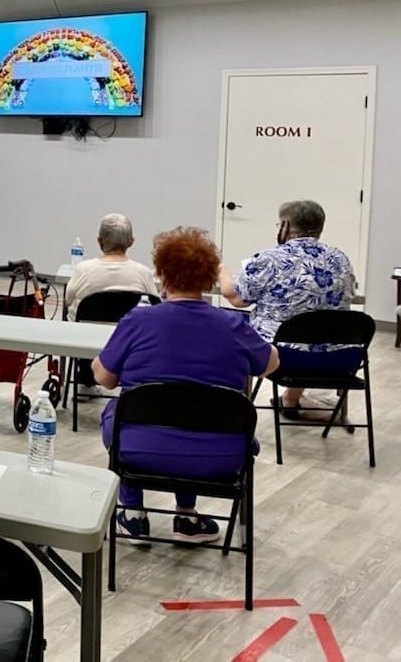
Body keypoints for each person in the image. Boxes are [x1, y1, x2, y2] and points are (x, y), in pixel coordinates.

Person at [92, 227, 278, 545]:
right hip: (222, 454)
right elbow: (271, 364)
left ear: (162, 275)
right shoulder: (232, 325)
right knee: (196, 411)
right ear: (209, 279)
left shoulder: (139, 320)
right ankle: (186, 516)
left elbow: (104, 378)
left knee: (120, 411)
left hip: (140, 448)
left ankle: (133, 515)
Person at [218, 200, 357, 418]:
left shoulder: (271, 259)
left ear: (285, 225)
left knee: (233, 323)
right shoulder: (341, 259)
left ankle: (232, 406)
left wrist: (220, 269)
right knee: (307, 324)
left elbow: (236, 298)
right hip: (341, 357)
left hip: (283, 358)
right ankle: (290, 400)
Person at [64, 213, 159, 318]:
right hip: (129, 332)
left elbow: (68, 300)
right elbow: (155, 305)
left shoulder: (82, 269)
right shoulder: (144, 273)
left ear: (99, 241)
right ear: (131, 241)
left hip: (84, 330)